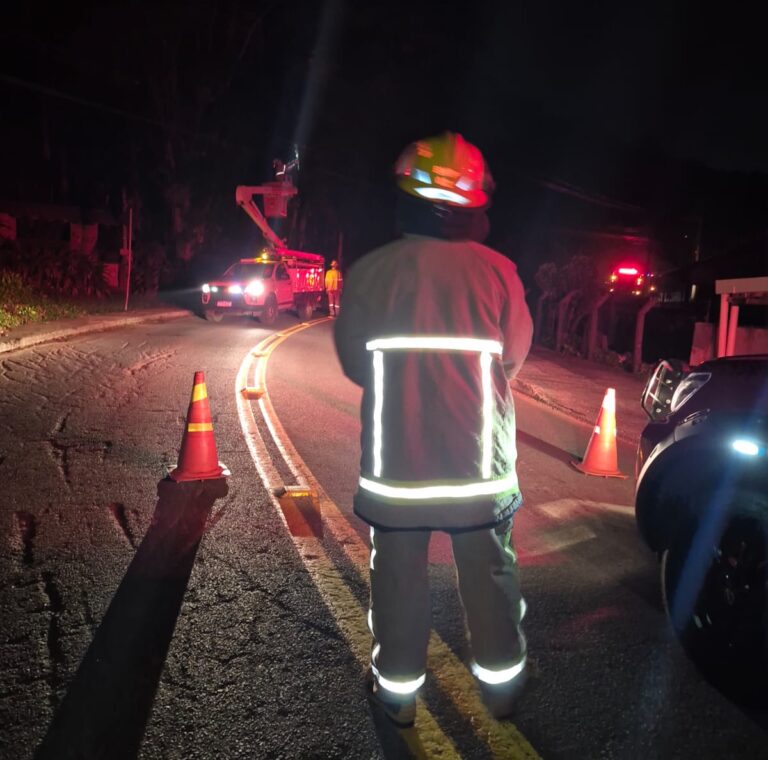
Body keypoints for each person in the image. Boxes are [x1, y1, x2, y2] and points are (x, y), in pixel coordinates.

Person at [334, 132, 533, 728]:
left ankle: (397, 695)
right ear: (476, 200)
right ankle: (503, 688)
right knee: (491, 576)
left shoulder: (370, 272)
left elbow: (354, 364)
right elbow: (514, 358)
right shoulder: (500, 273)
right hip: (478, 472)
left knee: (397, 579)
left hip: (398, 471)